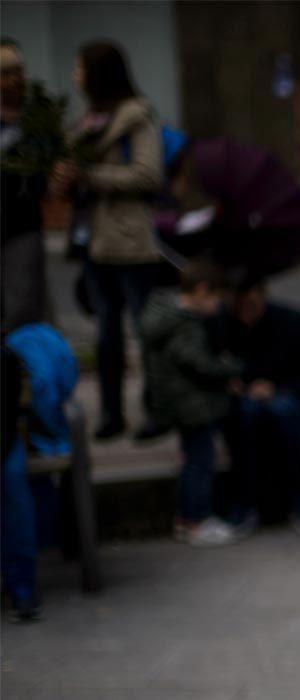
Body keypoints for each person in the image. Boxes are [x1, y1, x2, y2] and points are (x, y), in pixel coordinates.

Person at [53, 40, 163, 441]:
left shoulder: (137, 117)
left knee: (144, 330)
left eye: (80, 69)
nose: (74, 77)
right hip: (92, 241)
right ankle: (112, 413)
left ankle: (156, 409)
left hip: (131, 242)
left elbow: (149, 174)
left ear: (98, 74)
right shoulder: (85, 123)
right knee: (106, 334)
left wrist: (91, 177)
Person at [138, 260, 245, 546]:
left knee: (192, 460)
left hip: (175, 401)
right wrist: (231, 368)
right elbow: (199, 364)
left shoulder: (162, 315)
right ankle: (195, 521)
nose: (218, 307)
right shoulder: (185, 325)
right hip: (192, 405)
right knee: (200, 462)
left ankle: (188, 520)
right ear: (201, 291)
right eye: (217, 299)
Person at [221, 274, 300, 535]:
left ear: (263, 296)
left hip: (290, 399)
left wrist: (276, 389)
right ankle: (245, 503)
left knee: (283, 411)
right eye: (239, 307)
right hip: (243, 406)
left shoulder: (291, 321)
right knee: (247, 413)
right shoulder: (222, 325)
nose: (245, 314)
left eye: (251, 305)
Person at [2, 39, 54, 331]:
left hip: (22, 222)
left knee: (23, 304)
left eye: (18, 72)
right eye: (6, 74)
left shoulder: (37, 114)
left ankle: (23, 367)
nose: (15, 80)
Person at [1, 341, 40, 621]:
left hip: (4, 441)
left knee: (14, 495)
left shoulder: (7, 357)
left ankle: (22, 590)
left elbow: (13, 410)